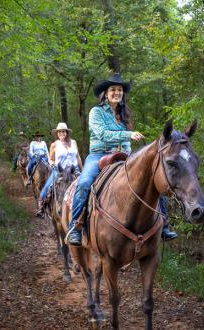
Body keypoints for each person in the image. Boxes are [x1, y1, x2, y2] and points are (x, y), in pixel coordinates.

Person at [66, 73, 177, 246]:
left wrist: (131, 152)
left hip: (123, 158)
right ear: (105, 92)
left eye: (120, 90)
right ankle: (76, 226)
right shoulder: (96, 112)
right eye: (113, 89)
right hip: (99, 155)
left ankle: (163, 225)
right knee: (85, 181)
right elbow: (102, 134)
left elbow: (126, 144)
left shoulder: (124, 114)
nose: (117, 92)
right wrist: (128, 134)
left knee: (152, 177)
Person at [36, 122, 83, 217]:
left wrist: (82, 171)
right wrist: (52, 163)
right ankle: (42, 207)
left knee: (86, 186)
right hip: (59, 170)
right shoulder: (54, 145)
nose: (61, 133)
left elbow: (78, 157)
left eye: (63, 131)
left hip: (74, 170)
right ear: (57, 133)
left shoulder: (73, 142)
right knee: (47, 188)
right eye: (59, 132)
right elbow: (50, 158)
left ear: (67, 132)